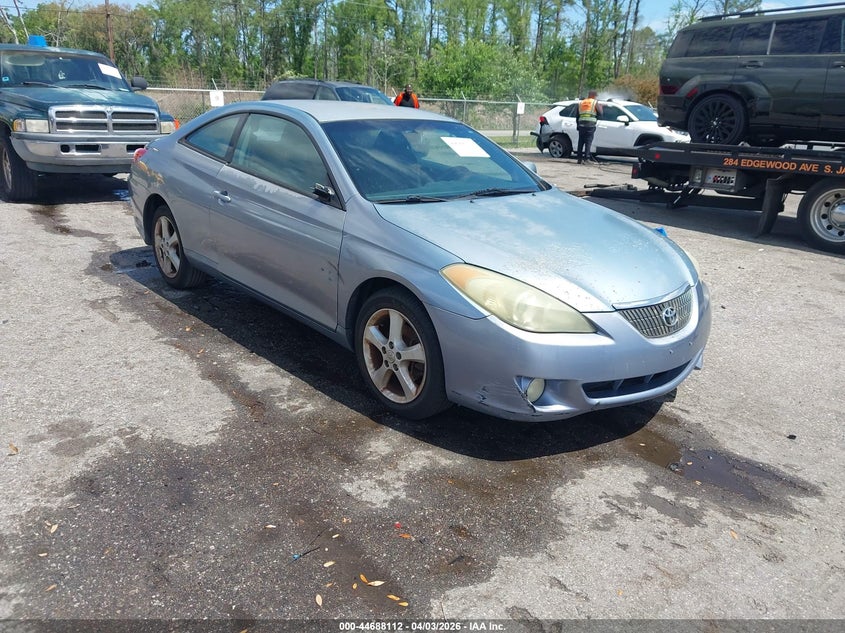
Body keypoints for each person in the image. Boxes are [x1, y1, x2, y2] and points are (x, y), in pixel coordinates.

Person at [576, 90, 603, 164]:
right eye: (596, 96)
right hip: (590, 125)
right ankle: (586, 159)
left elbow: (577, 115)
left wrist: (577, 125)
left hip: (581, 124)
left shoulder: (581, 102)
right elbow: (600, 113)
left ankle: (579, 159)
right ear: (593, 95)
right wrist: (601, 107)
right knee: (588, 142)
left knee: (580, 142)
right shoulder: (594, 102)